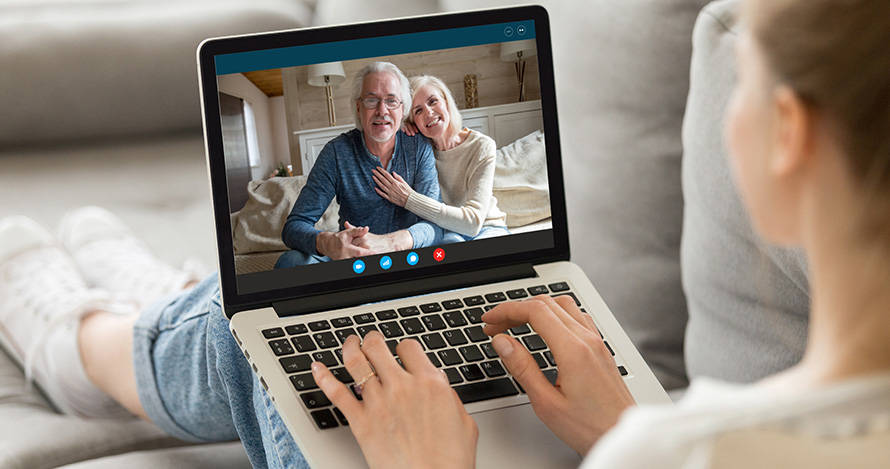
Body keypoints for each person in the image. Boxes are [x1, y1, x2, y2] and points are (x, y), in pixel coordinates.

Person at [0, 0, 887, 467]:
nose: (397, 112)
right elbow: (306, 231)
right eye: (386, 102)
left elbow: (460, 227)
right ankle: (142, 310)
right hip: (409, 286)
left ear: (786, 138)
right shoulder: (345, 156)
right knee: (306, 315)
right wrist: (627, 419)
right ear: (364, 108)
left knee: (269, 340)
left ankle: (91, 343)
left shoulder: (685, 450)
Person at [310, 0, 890, 466]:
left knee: (274, 359)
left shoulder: (691, 447)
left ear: (789, 140)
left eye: (742, 84)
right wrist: (618, 429)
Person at [275, 61, 444, 268]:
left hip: (407, 259)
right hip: (354, 261)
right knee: (289, 263)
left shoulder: (418, 146)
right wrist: (329, 243)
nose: (382, 111)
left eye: (391, 101)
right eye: (372, 100)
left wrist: (390, 243)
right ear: (358, 106)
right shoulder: (336, 152)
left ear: (402, 108)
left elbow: (435, 224)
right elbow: (293, 227)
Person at [372, 75, 509, 243]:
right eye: (418, 111)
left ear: (446, 102)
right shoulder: (419, 150)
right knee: (449, 249)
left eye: (433, 101)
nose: (429, 113)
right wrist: (399, 129)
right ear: (413, 121)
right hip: (447, 231)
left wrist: (409, 199)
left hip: (486, 226)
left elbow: (473, 223)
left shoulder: (481, 146)